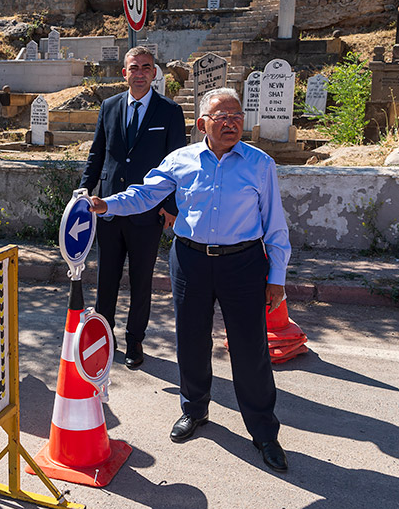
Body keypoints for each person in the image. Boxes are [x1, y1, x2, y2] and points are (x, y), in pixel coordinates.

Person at [88, 87, 290, 472]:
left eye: (237, 116)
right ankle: (194, 409)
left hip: (243, 263)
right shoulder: (181, 160)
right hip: (191, 261)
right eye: (222, 116)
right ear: (202, 125)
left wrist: (276, 277)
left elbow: (275, 226)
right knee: (191, 340)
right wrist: (106, 204)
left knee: (250, 350)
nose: (231, 122)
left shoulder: (260, 164)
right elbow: (145, 195)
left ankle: (264, 430)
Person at [80, 46, 186, 368]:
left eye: (146, 67)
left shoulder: (169, 111)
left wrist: (170, 205)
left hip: (147, 213)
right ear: (124, 73)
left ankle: (135, 340)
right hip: (108, 208)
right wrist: (84, 191)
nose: (139, 73)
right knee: (106, 279)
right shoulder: (109, 107)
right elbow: (98, 154)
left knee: (141, 281)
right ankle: (104, 337)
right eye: (133, 68)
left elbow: (176, 163)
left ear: (154, 73)